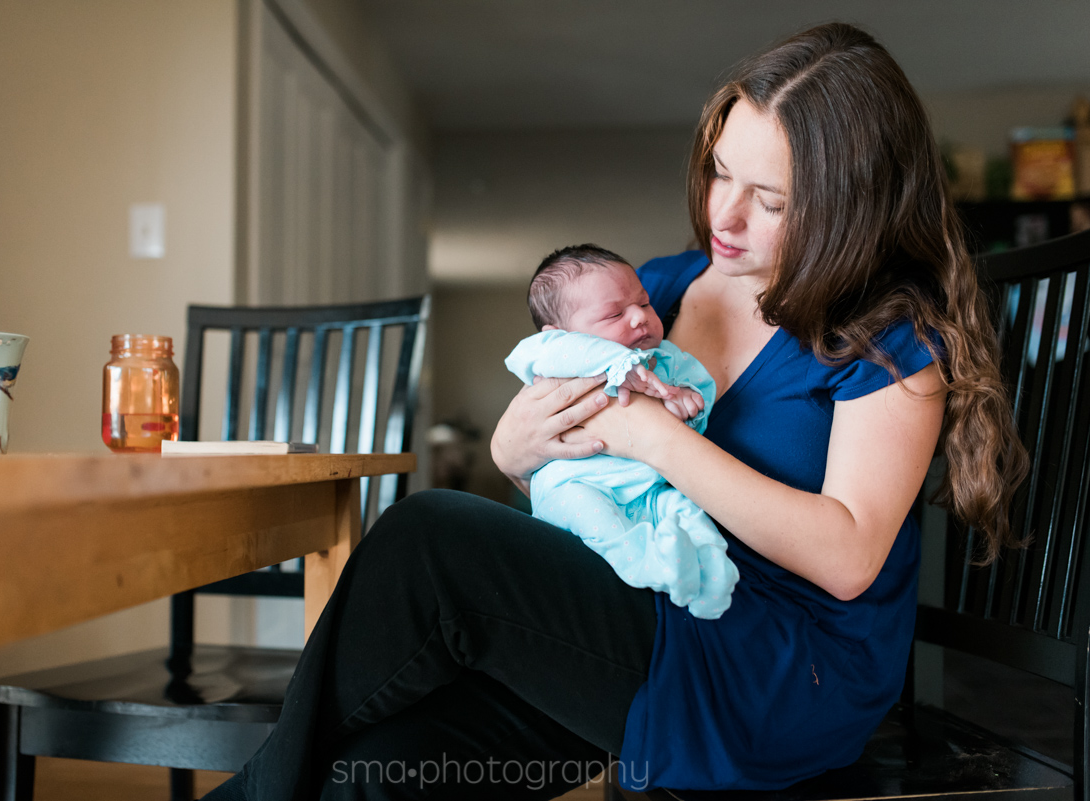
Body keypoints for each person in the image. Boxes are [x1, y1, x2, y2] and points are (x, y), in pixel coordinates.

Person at [203, 22, 1026, 800]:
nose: (724, 215)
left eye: (770, 200)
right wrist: (515, 451)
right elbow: (582, 461)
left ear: (852, 206)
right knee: (375, 774)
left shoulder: (891, 336)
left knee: (427, 538)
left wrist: (656, 437)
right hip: (644, 609)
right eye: (719, 172)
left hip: (780, 671)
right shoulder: (657, 292)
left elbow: (848, 554)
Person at [505, 244, 738, 617]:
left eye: (644, 304)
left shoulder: (666, 358)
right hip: (577, 483)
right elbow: (527, 356)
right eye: (614, 313)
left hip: (649, 485)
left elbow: (701, 388)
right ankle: (653, 568)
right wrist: (619, 364)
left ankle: (711, 578)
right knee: (603, 525)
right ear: (559, 331)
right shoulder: (553, 352)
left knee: (687, 512)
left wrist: (688, 402)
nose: (638, 319)